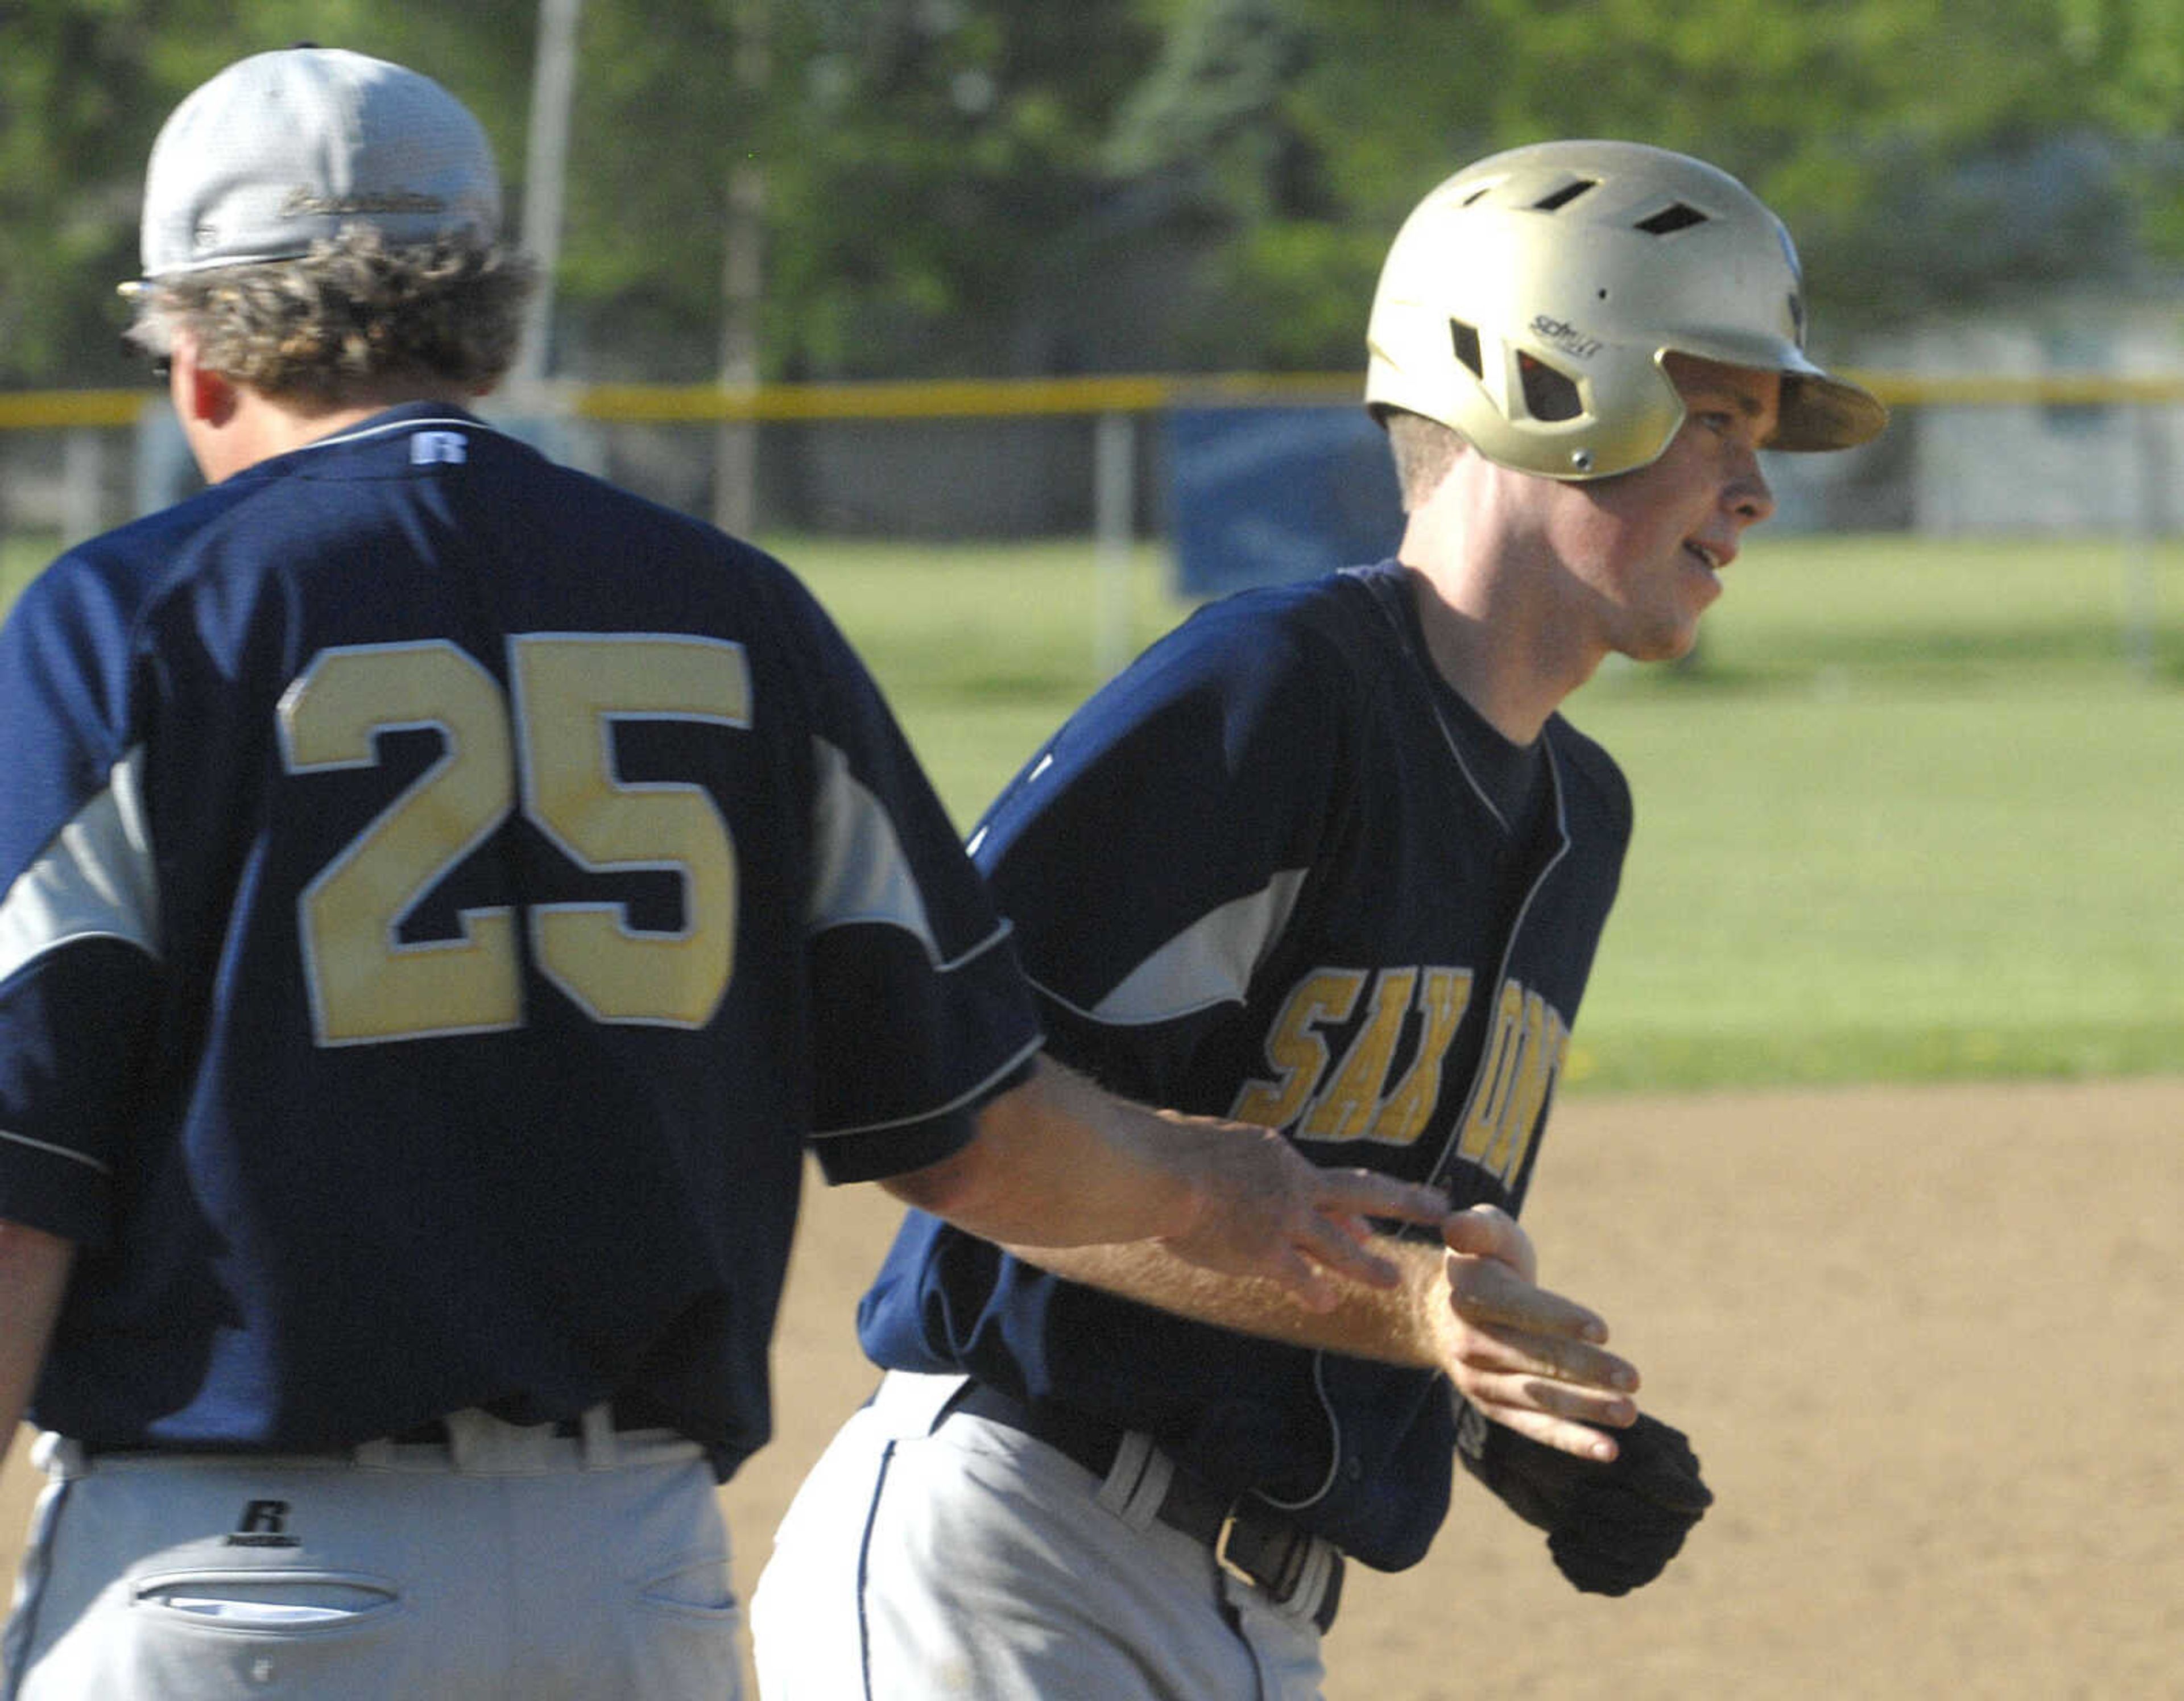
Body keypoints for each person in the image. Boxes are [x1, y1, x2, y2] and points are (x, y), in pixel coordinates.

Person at [0, 47, 1454, 1701]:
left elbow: (18, 1168)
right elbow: (980, 1143)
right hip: (634, 1587)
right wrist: (1232, 1185)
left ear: (194, 363)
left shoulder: (124, 624)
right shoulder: (736, 612)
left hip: (239, 1585)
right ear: (494, 324)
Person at [751, 139, 1890, 1698]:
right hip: (1017, 1556)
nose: (1755, 490)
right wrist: (1418, 1319)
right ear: (1544, 394)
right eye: (1711, 423)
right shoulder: (1271, 697)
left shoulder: (1579, 816)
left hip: (1260, 1616)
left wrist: (1501, 1400)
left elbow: (1323, 1216)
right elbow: (964, 1128)